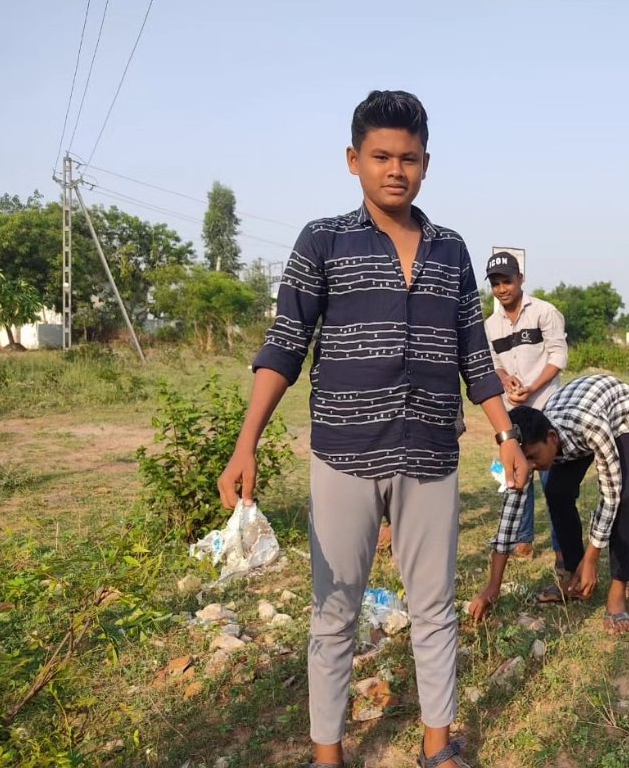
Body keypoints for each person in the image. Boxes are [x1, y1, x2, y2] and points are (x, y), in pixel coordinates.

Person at [217, 90, 527, 768]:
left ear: (426, 164)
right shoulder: (323, 240)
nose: (396, 170)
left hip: (429, 456)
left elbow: (474, 353)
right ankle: (328, 756)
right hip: (343, 455)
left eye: (410, 158)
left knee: (436, 606)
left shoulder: (450, 250)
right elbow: (285, 345)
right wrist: (247, 443)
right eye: (382, 156)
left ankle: (437, 746)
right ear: (353, 160)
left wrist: (506, 433)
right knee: (333, 613)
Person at [467, 374, 629, 635]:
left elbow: (611, 495)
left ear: (552, 438)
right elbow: (510, 514)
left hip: (625, 415)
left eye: (533, 458)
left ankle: (618, 590)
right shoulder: (532, 446)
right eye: (524, 459)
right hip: (576, 419)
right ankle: (575, 577)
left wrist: (592, 558)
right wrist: (492, 587)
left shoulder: (590, 426)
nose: (529, 467)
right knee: (556, 491)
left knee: (625, 499)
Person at [483, 251, 568, 563]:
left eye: (507, 280)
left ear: (521, 279)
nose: (502, 288)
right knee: (520, 473)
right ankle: (523, 539)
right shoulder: (490, 325)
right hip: (514, 410)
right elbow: (493, 365)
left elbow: (558, 356)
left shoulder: (544, 312)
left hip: (548, 404)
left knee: (552, 481)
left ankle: (562, 546)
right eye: (496, 283)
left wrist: (533, 387)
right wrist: (506, 380)